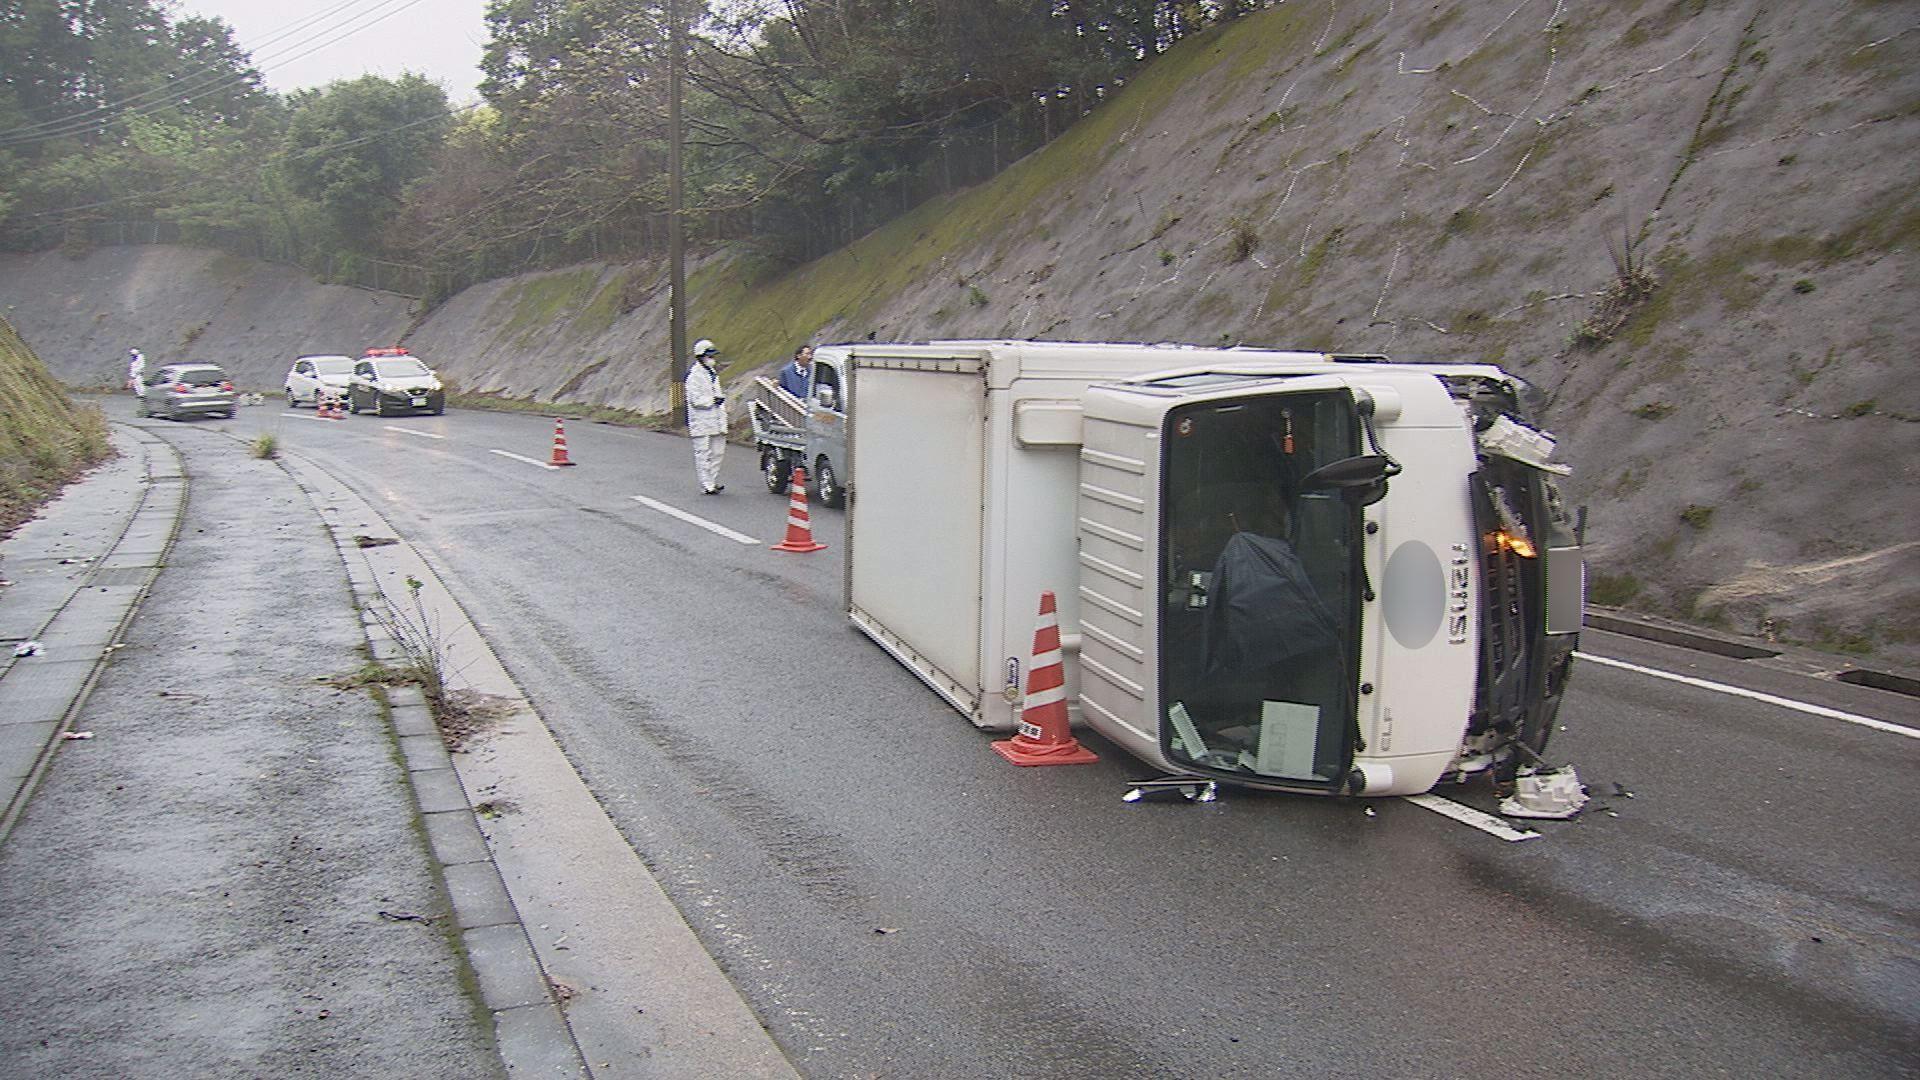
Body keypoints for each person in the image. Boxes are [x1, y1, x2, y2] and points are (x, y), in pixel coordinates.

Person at [685, 338, 727, 494]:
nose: (712, 359)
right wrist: (712, 400)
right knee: (703, 453)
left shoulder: (712, 374)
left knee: (718, 452)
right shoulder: (694, 376)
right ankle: (706, 483)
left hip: (716, 419)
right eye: (709, 356)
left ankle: (713, 480)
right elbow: (695, 400)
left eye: (713, 356)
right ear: (700, 357)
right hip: (701, 420)